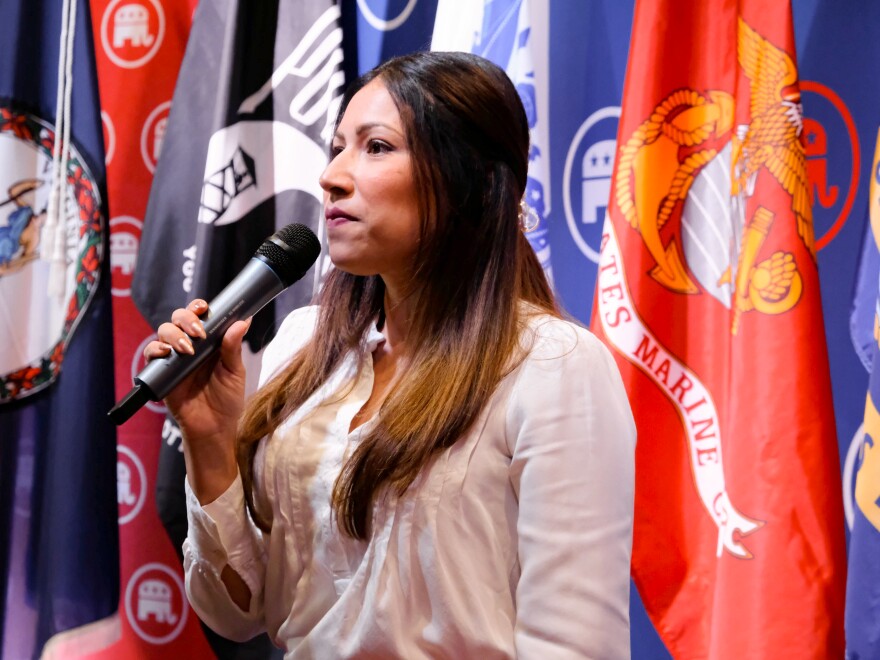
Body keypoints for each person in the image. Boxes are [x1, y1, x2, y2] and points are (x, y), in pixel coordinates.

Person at [145, 51, 636, 659]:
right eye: (337, 145)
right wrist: (210, 441)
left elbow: (574, 646)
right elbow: (236, 614)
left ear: (467, 183)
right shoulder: (303, 344)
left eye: (376, 147)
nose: (332, 175)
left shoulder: (554, 365)